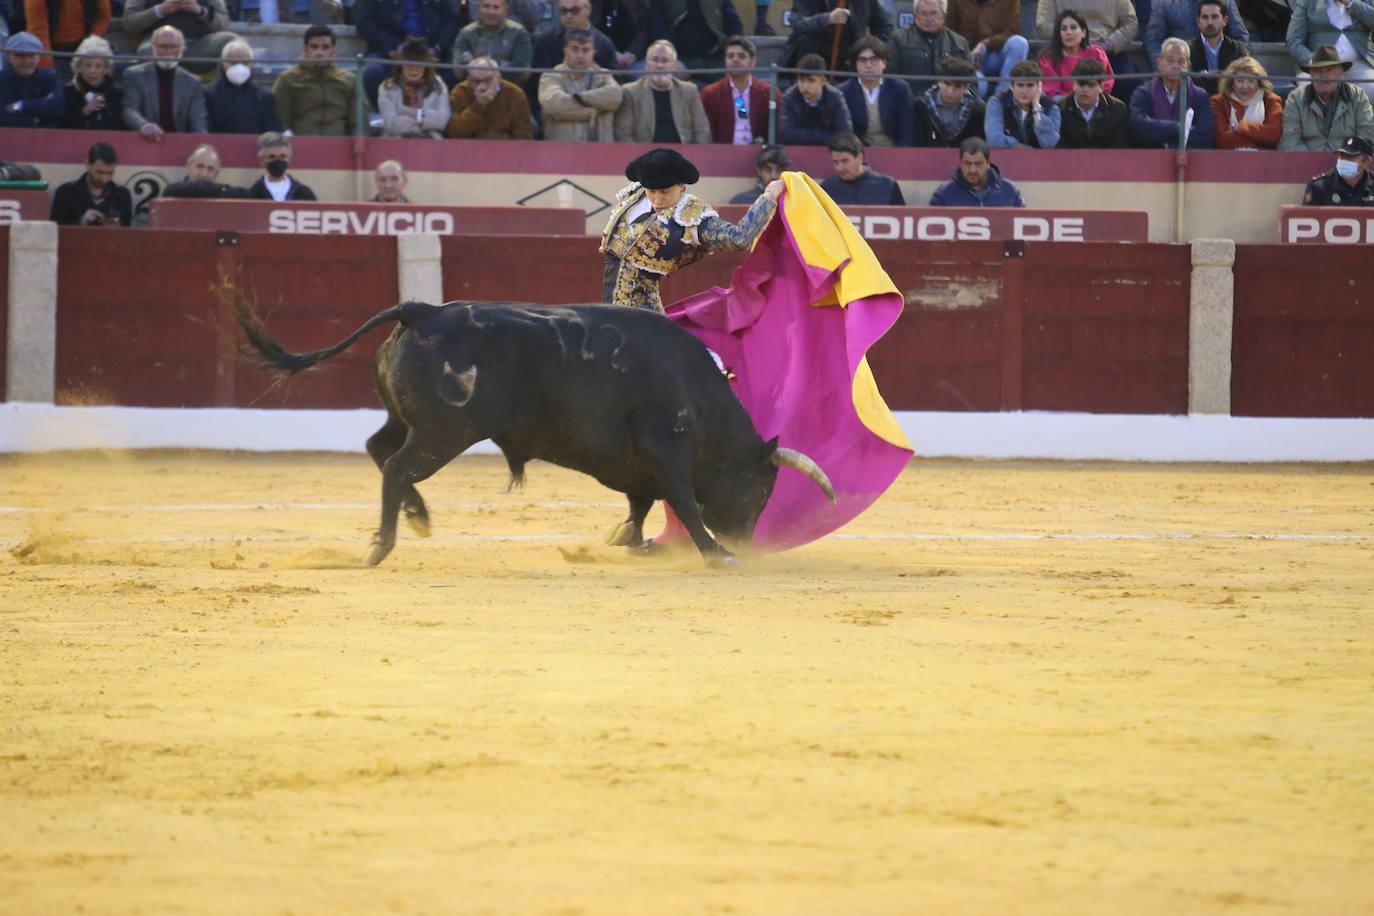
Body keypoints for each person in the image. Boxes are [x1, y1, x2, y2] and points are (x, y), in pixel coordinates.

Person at [599, 147, 781, 313]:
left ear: (681, 185)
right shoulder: (636, 195)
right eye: (651, 191)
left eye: (665, 192)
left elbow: (739, 238)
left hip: (644, 319)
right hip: (613, 312)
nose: (657, 200)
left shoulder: (691, 217)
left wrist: (769, 196)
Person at [353, 0, 461, 108]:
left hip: (433, 50)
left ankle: (439, 114)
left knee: (455, 71)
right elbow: (364, 23)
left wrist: (438, 47)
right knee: (372, 73)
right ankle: (384, 114)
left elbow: (451, 22)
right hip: (388, 49)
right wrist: (393, 45)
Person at [614, 39, 711, 142]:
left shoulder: (690, 91)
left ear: (674, 66)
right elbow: (623, 135)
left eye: (665, 60)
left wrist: (693, 156)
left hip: (683, 155)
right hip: (645, 155)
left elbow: (702, 131)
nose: (660, 66)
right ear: (646, 65)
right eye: (655, 60)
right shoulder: (630, 92)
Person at [1280, 44, 1374, 150]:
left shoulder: (1358, 96)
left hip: (1348, 162)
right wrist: (1310, 162)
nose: (1323, 75)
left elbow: (1367, 135)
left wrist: (1346, 161)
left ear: (1340, 74)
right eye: (1317, 70)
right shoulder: (1296, 98)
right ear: (1311, 75)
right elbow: (1289, 140)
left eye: (1329, 70)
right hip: (1307, 162)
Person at [122, 26, 208, 140]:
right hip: (145, 141)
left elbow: (198, 121)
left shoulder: (193, 82)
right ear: (152, 48)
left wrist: (200, 144)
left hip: (180, 143)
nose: (168, 52)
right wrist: (143, 125)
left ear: (183, 49)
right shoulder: (134, 75)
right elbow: (129, 110)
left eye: (174, 47)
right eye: (163, 46)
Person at [1129, 37, 1216, 148]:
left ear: (1188, 67)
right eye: (1170, 60)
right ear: (1159, 62)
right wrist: (1180, 128)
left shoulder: (1199, 95)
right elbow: (1139, 129)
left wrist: (1165, 137)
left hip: (1191, 158)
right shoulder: (1142, 93)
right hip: (1150, 158)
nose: (1175, 66)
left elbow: (1205, 136)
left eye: (1181, 62)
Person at [538, 28, 623, 141]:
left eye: (585, 50)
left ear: (593, 53)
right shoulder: (550, 76)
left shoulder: (604, 74)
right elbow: (556, 106)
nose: (580, 55)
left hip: (601, 151)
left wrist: (580, 98)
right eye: (575, 49)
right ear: (565, 51)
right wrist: (593, 112)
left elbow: (615, 97)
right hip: (562, 151)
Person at [273, 25, 357, 136]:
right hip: (301, 145)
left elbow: (359, 120)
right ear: (306, 50)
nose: (320, 53)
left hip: (340, 145)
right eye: (314, 47)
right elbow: (280, 118)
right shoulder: (288, 79)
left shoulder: (350, 80)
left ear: (333, 51)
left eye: (325, 47)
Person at [117, 0, 236, 78]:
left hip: (198, 46)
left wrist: (200, 11)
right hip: (159, 45)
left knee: (231, 42)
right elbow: (129, 23)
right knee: (146, 54)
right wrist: (159, 10)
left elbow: (223, 23)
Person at [1288, 0, 1374, 107]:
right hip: (1317, 66)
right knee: (1309, 97)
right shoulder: (1308, 2)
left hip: (1357, 63)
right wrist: (1313, 62)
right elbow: (1293, 41)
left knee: (1372, 89)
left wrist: (1351, 3)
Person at [838, 36, 916, 147]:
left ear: (884, 63)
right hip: (858, 153)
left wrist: (901, 158)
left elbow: (907, 132)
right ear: (855, 64)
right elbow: (844, 133)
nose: (868, 65)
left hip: (893, 151)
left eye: (874, 60)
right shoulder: (843, 91)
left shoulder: (900, 89)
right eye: (862, 60)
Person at [698, 35, 775, 144]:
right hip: (722, 154)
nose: (735, 60)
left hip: (759, 155)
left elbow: (776, 132)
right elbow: (705, 132)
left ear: (753, 62)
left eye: (741, 56)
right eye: (730, 56)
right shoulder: (710, 93)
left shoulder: (769, 93)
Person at [1034, 0, 1136, 80]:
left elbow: (1130, 23)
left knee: (1129, 82)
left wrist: (1110, 43)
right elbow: (1044, 25)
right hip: (1065, 52)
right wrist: (1072, 39)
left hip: (1106, 50)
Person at [946, 0, 1027, 97]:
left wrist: (986, 44)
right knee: (979, 84)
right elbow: (949, 32)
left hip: (995, 56)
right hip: (967, 59)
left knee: (1019, 43)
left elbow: (1012, 32)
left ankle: (1003, 97)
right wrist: (966, 55)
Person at [785, 0, 892, 73]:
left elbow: (883, 25)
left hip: (849, 59)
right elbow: (797, 23)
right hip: (812, 60)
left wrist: (873, 48)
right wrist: (827, 19)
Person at [646, 0, 745, 78]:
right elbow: (658, 29)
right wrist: (672, 61)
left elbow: (734, 25)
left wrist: (734, 56)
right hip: (682, 63)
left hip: (716, 60)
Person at [379, 36, 452, 137]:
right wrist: (424, 122)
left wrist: (415, 113)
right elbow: (391, 124)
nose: (413, 69)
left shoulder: (439, 86)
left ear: (426, 67)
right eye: (408, 64)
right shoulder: (386, 88)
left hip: (430, 140)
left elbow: (442, 121)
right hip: (397, 141)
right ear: (401, 65)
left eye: (418, 65)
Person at [446, 54, 533, 138]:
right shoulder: (460, 92)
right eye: (476, 81)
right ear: (468, 80)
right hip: (469, 147)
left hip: (504, 148)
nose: (482, 86)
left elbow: (523, 134)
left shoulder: (515, 93)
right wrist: (478, 106)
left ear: (498, 77)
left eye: (488, 80)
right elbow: (455, 132)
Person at [205, 40, 281, 134]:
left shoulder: (264, 97)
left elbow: (272, 131)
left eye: (245, 63)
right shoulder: (209, 95)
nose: (239, 67)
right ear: (223, 63)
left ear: (252, 64)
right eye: (233, 62)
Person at [778, 52, 854, 146]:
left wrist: (812, 136)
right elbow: (785, 135)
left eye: (811, 81)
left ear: (823, 81)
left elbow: (845, 135)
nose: (805, 86)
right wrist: (820, 136)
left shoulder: (835, 98)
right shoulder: (789, 98)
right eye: (801, 80)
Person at [1037, 9, 1114, 101]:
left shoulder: (1096, 53)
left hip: (1093, 100)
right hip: (1063, 103)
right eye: (1064, 29)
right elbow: (1051, 89)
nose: (1068, 32)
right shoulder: (1048, 57)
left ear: (1083, 33)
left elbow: (1106, 83)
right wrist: (1075, 100)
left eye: (1073, 28)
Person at [49, 141, 131, 227]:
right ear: (88, 164)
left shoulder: (123, 195)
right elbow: (54, 231)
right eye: (100, 172)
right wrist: (81, 223)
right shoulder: (65, 192)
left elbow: (128, 232)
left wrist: (117, 228)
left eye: (110, 173)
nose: (104, 179)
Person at [23, 0, 111, 77]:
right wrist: (48, 73)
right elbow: (39, 36)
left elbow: (103, 18)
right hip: (53, 50)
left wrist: (88, 45)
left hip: (85, 44)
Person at [889, 0, 969, 85]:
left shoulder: (960, 43)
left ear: (944, 16)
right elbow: (890, 79)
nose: (929, 19)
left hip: (947, 96)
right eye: (924, 13)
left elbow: (970, 82)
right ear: (915, 16)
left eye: (934, 13)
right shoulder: (898, 39)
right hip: (909, 96)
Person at [452, 0, 532, 84]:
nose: (490, 12)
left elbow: (521, 69)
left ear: (505, 9)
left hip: (508, 88)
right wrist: (501, 65)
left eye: (496, 7)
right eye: (486, 6)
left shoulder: (518, 32)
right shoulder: (466, 33)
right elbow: (460, 67)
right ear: (478, 8)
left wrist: (482, 68)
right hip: (472, 86)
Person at [1210, 56, 1282, 149]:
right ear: (1232, 83)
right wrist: (1258, 140)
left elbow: (1274, 135)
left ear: (1259, 83)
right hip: (1228, 159)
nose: (1245, 86)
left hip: (1263, 159)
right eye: (1240, 81)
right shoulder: (1218, 102)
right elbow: (1222, 140)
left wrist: (1242, 127)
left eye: (1251, 81)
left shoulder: (1271, 101)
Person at [929, 135, 1025, 205]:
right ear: (960, 163)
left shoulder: (1010, 191)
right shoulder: (944, 194)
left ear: (988, 163)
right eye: (967, 163)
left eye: (978, 164)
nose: (972, 170)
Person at [913, 54, 986, 146]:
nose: (950, 91)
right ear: (939, 81)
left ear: (967, 87)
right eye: (946, 84)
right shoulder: (921, 105)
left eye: (958, 86)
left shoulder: (978, 109)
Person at [987, 58, 1061, 148]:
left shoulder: (1051, 107)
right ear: (1011, 86)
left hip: (1040, 160)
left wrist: (1037, 108)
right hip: (1006, 159)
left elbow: (1049, 143)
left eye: (1030, 85)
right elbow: (994, 140)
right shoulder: (997, 102)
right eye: (1020, 85)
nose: (1024, 91)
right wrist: (1021, 148)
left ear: (1039, 86)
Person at [532, 0, 618, 77]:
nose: (568, 15)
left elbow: (616, 79)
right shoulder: (545, 40)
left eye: (575, 10)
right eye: (563, 11)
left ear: (588, 10)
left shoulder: (604, 43)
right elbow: (538, 79)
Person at [1057, 57, 1129, 147]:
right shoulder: (1060, 108)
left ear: (1101, 87)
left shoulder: (1118, 109)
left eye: (1091, 85)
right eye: (1081, 84)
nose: (1085, 90)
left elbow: (1120, 147)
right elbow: (1061, 149)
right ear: (1074, 84)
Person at [1145, 0, 1247, 62]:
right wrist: (1164, 71)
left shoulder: (1225, 1)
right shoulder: (1164, 2)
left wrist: (1235, 69)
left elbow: (1240, 36)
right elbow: (1153, 40)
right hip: (1180, 69)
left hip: (1221, 71)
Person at [819, 131, 905, 204]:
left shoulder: (887, 185)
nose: (839, 168)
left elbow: (902, 218)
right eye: (836, 162)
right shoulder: (827, 188)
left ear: (860, 157)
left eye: (845, 161)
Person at [58, 34, 122, 131]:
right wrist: (84, 111)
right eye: (87, 65)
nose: (92, 70)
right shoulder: (69, 91)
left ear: (106, 69)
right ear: (79, 67)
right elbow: (61, 123)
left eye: (98, 66)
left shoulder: (115, 92)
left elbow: (118, 124)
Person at [0, 31, 65, 127]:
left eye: (31, 55)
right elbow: (2, 117)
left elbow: (57, 108)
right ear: (9, 57)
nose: (26, 61)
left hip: (44, 138)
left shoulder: (50, 77)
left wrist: (20, 105)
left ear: (39, 57)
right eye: (20, 55)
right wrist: (35, 119)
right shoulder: (1, 79)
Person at [1187, 0, 1251, 95]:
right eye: (1205, 17)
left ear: (1224, 20)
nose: (1209, 22)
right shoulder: (1187, 49)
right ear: (1198, 21)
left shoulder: (1238, 49)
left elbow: (1245, 79)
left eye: (1215, 17)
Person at [1302, 134, 1374, 204]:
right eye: (1342, 155)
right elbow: (1307, 215)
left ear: (1366, 162)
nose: (1344, 160)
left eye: (1350, 156)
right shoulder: (1318, 187)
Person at [161, 143, 252, 197]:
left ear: (216, 173)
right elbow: (170, 191)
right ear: (188, 167)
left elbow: (246, 194)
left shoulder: (224, 194)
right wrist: (221, 189)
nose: (204, 174)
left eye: (210, 169)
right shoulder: (173, 191)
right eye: (200, 166)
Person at [248, 131, 317, 201]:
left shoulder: (303, 194)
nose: (278, 160)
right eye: (272, 157)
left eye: (282, 156)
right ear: (262, 160)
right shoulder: (253, 195)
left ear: (289, 158)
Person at [590, 0, 649, 70]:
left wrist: (632, 53)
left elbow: (644, 30)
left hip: (634, 57)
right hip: (603, 56)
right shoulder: (595, 4)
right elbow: (593, 30)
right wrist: (613, 53)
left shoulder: (637, 3)